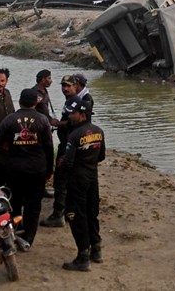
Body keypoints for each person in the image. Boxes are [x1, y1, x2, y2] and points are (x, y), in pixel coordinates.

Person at [0, 87, 54, 250]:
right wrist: (49, 170)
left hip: (15, 169)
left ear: (20, 101)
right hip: (37, 169)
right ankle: (28, 239)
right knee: (33, 206)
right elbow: (48, 146)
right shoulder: (42, 120)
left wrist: (7, 145)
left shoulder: (9, 119)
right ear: (35, 103)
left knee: (15, 203)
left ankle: (16, 232)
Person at [41, 73, 93, 227]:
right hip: (69, 144)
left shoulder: (84, 101)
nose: (65, 89)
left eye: (69, 86)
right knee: (69, 181)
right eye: (63, 86)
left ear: (76, 85)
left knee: (61, 180)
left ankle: (58, 215)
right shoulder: (72, 99)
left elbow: (79, 124)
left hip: (71, 146)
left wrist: (59, 124)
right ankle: (70, 210)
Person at [60, 97, 105, 272]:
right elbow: (101, 156)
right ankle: (97, 249)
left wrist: (62, 171)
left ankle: (83, 257)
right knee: (92, 213)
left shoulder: (74, 135)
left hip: (77, 180)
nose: (70, 116)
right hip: (92, 178)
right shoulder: (98, 131)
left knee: (75, 216)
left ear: (82, 114)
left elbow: (68, 162)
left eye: (73, 113)